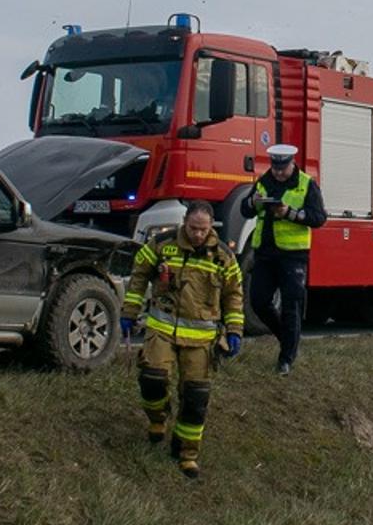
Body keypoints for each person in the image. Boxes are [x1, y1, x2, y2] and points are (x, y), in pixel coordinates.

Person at [121, 201, 244, 479]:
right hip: (162, 329)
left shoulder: (223, 257)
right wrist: (129, 310)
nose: (198, 234)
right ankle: (157, 419)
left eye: (203, 229)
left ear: (211, 227)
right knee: (152, 379)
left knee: (195, 398)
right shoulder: (162, 245)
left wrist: (234, 331)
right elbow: (139, 274)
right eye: (193, 228)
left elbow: (233, 296)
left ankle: (187, 453)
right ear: (184, 223)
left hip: (201, 341)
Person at [239, 144, 326, 375]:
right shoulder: (263, 182)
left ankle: (286, 359)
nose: (278, 172)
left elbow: (319, 218)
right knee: (258, 301)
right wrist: (253, 203)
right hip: (265, 253)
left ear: (292, 163)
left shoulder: (306, 184)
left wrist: (289, 213)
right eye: (275, 167)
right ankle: (286, 337)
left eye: (282, 168)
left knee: (291, 305)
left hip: (292, 255)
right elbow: (244, 210)